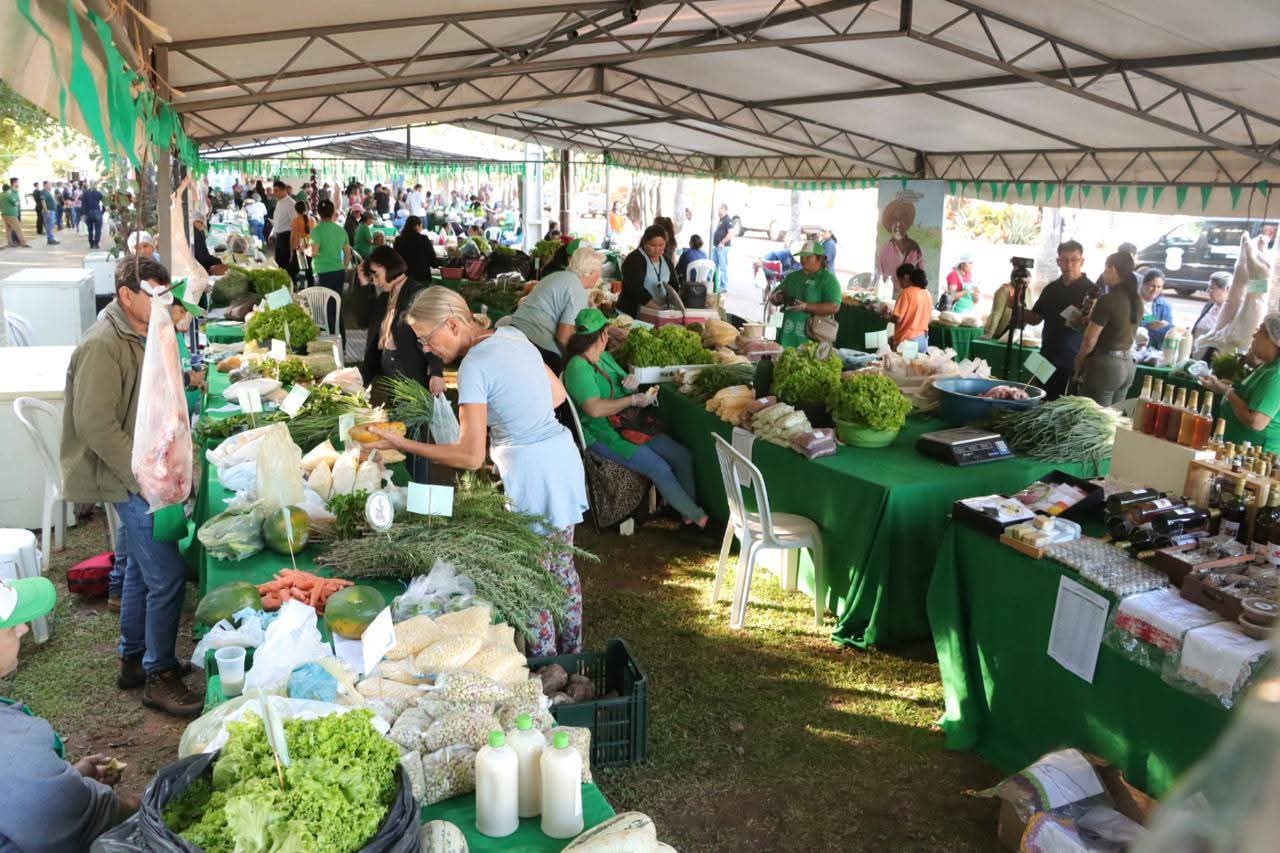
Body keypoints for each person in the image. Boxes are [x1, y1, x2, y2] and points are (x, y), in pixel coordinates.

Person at [364, 287, 588, 655]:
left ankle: (546, 667)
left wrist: (402, 444)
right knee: (561, 570)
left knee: (532, 580)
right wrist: (513, 420)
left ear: (452, 325)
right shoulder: (511, 334)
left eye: (426, 338)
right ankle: (573, 657)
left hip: (533, 475)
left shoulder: (473, 367)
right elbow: (556, 396)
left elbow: (469, 456)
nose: (426, 349)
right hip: (560, 460)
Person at [61, 256, 203, 716]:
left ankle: (134, 660)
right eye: (154, 294)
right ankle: (158, 674)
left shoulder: (144, 329)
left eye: (166, 295)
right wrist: (146, 477)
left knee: (142, 570)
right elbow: (96, 425)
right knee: (167, 575)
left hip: (142, 468)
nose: (164, 303)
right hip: (124, 474)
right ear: (126, 295)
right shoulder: (103, 344)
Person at [0, 576, 139, 849]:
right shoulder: (14, 745)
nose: (23, 629)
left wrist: (66, 779)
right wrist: (133, 807)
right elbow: (72, 816)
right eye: (10, 626)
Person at [564, 307, 709, 527]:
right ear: (603, 335)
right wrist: (632, 400)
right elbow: (594, 410)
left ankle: (685, 514)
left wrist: (631, 386)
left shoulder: (604, 357)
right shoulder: (578, 367)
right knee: (659, 467)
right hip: (603, 433)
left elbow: (620, 385)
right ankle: (699, 518)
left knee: (682, 456)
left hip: (630, 423)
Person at [358, 245, 444, 402]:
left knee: (411, 414)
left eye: (376, 275)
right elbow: (362, 320)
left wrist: (436, 373)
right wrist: (364, 284)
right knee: (397, 413)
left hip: (410, 374)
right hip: (389, 373)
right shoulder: (386, 296)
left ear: (389, 266)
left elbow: (433, 336)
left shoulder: (417, 293)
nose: (375, 282)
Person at [497, 245, 601, 371]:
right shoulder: (577, 289)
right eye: (599, 271)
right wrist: (578, 359)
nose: (599, 276)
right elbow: (563, 337)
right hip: (536, 344)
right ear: (590, 272)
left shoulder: (557, 276)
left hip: (514, 330)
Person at [1021, 240, 1093, 400]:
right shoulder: (1051, 288)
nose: (1069, 264)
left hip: (1072, 361)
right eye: (1064, 259)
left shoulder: (1092, 291)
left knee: (1061, 406)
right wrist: (1016, 308)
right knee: (1037, 399)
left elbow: (1096, 330)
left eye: (1074, 259)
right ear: (1058, 261)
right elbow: (1035, 318)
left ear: (1082, 261)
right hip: (1045, 356)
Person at [1200, 314, 1280, 452]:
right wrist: (1225, 387)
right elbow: (1250, 397)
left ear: (1273, 340)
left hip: (1255, 455)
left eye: (1260, 331)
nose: (1254, 335)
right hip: (1237, 449)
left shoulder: (1276, 374)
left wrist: (1228, 392)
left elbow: (1256, 422)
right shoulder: (1267, 366)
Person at [1074, 252, 1141, 407]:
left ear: (1113, 269)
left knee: (1094, 417)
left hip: (1107, 366)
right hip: (1128, 365)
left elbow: (1089, 341)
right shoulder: (1137, 299)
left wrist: (1079, 364)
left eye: (1105, 269)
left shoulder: (1107, 300)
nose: (1103, 274)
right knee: (1113, 418)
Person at [770, 241, 841, 348]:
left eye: (808, 257)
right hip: (784, 332)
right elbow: (773, 297)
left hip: (810, 336)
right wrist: (776, 298)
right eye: (802, 256)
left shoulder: (828, 280)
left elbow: (834, 306)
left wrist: (806, 306)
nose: (803, 259)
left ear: (819, 258)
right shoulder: (793, 276)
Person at [310, 199, 351, 333]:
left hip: (322, 273)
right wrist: (344, 268)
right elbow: (348, 254)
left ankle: (328, 337)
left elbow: (314, 252)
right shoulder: (341, 230)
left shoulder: (316, 231)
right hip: (338, 272)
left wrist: (305, 250)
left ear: (319, 213)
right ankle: (340, 338)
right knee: (336, 306)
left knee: (323, 308)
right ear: (333, 212)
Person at [618, 225, 674, 317]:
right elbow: (635, 289)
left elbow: (673, 284)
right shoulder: (634, 259)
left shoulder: (667, 261)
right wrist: (657, 308)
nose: (657, 249)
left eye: (661, 245)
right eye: (652, 245)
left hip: (657, 313)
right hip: (632, 313)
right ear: (644, 242)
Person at [887, 265, 932, 350]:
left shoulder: (906, 293)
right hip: (923, 340)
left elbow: (897, 318)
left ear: (906, 277)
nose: (900, 284)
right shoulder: (927, 293)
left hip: (907, 341)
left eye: (899, 280)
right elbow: (929, 320)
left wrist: (887, 316)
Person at [878, 198, 923, 278]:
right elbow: (881, 278)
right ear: (890, 223)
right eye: (895, 219)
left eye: (902, 219)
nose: (898, 224)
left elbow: (920, 276)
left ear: (907, 223)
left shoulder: (915, 248)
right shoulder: (885, 251)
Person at [1191, 271, 1231, 358]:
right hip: (1195, 355)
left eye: (1212, 288)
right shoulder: (1209, 305)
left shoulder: (1231, 312)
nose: (1208, 291)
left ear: (1227, 289)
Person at [393, 215, 438, 283]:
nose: (421, 228)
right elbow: (432, 257)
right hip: (421, 277)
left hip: (403, 277)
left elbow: (395, 259)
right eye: (421, 226)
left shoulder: (398, 240)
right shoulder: (423, 239)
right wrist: (436, 264)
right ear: (417, 226)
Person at [1139, 268, 1174, 349]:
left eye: (1159, 287)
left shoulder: (1164, 305)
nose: (1155, 290)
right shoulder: (1132, 302)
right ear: (1143, 284)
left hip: (1154, 348)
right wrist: (1148, 325)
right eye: (1152, 286)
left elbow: (1169, 330)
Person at [269, 180, 294, 274]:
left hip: (287, 237)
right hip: (279, 236)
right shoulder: (279, 202)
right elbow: (277, 222)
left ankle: (287, 280)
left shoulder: (291, 203)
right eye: (274, 190)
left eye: (276, 190)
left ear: (284, 190)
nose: (274, 193)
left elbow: (295, 223)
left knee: (284, 263)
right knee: (279, 262)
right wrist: (273, 233)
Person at [290, 200, 316, 286]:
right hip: (309, 247)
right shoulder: (312, 220)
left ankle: (294, 287)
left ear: (296, 210)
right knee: (309, 271)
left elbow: (292, 237)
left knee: (292, 271)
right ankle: (311, 288)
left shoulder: (295, 221)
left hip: (299, 248)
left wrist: (291, 250)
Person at [712, 203, 733, 293]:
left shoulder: (728, 220)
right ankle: (714, 284)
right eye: (718, 209)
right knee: (714, 266)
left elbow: (731, 234)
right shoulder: (721, 220)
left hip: (723, 247)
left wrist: (722, 242)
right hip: (716, 246)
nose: (718, 211)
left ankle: (723, 286)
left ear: (724, 210)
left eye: (720, 209)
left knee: (723, 267)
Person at [2, 178, 29, 248]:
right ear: (14, 183)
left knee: (9, 229)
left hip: (7, 213)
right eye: (17, 182)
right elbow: (15, 202)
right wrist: (16, 203)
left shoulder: (6, 193)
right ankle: (23, 243)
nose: (18, 183)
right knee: (18, 229)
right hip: (11, 214)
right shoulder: (8, 193)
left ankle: (10, 243)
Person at [82, 181, 104, 249]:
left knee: (90, 230)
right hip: (97, 211)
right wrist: (102, 211)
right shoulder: (98, 193)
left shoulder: (85, 193)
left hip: (88, 213)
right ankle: (96, 243)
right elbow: (104, 201)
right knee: (98, 229)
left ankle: (91, 243)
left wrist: (83, 214)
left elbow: (83, 204)